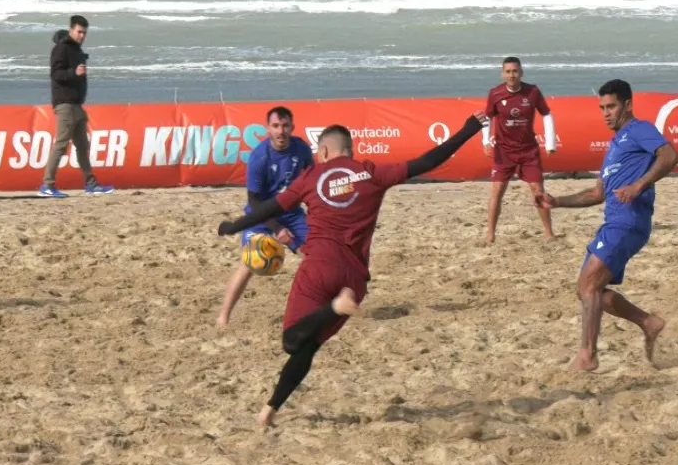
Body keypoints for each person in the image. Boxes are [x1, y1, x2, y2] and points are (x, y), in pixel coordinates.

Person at [217, 111, 488, 426]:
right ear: (351, 150)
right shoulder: (371, 172)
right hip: (355, 279)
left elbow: (269, 207)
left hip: (319, 268)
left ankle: (334, 307)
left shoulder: (310, 177)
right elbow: (428, 161)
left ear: (326, 152)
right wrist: (468, 129)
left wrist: (235, 225)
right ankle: (269, 411)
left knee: (292, 340)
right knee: (310, 344)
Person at [537, 79, 678, 372]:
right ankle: (648, 322)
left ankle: (587, 356)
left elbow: (670, 155)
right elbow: (596, 193)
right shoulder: (613, 147)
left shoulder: (639, 129)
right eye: (602, 107)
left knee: (588, 284)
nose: (605, 113)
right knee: (589, 291)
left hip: (628, 222)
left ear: (627, 105)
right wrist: (557, 201)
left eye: (611, 106)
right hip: (612, 223)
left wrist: (639, 185)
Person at [216, 106, 315, 326]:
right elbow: (254, 201)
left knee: (314, 257)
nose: (281, 131)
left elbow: (312, 184)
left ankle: (321, 308)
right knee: (249, 263)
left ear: (293, 127)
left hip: (292, 213)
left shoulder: (302, 150)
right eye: (276, 126)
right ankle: (223, 317)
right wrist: (277, 228)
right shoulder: (260, 157)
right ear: (267, 128)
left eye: (285, 126)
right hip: (260, 215)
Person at [483, 56, 558, 243]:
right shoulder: (495, 93)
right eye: (508, 71)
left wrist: (550, 143)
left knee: (538, 190)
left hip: (528, 151)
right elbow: (487, 118)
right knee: (497, 190)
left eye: (515, 71)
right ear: (502, 73)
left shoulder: (532, 91)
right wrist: (485, 141)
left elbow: (547, 114)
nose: (511, 75)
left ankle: (549, 233)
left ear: (521, 72)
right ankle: (490, 234)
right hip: (504, 152)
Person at [39, 15, 113, 198]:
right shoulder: (61, 48)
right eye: (79, 32)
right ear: (71, 29)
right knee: (61, 145)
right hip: (65, 104)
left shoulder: (77, 50)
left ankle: (91, 183)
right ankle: (47, 185)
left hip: (77, 105)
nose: (82, 36)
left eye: (84, 33)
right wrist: (74, 72)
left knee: (82, 145)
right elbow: (55, 74)